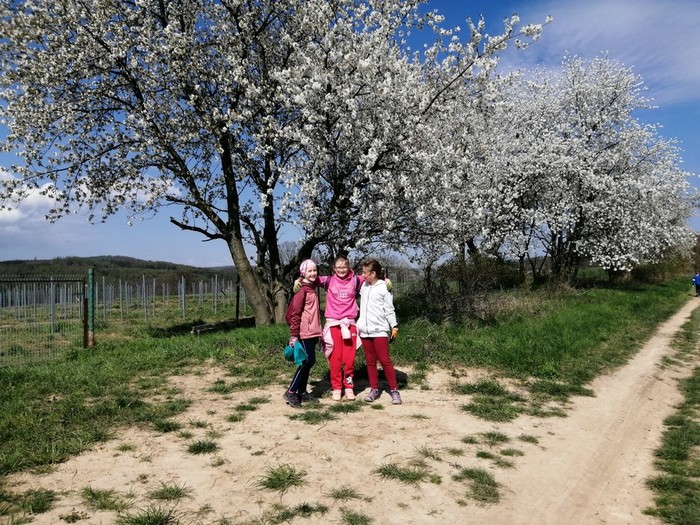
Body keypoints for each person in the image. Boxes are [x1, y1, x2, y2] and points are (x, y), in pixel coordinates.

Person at [357, 258, 401, 405]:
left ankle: (394, 390)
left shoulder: (384, 287)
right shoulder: (363, 286)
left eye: (365, 273)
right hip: (365, 331)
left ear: (373, 273)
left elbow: (389, 309)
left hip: (379, 330)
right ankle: (374, 389)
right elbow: (348, 278)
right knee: (370, 362)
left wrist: (394, 326)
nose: (363, 275)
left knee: (384, 360)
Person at [283, 259, 322, 408]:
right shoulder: (302, 290)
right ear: (303, 273)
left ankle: (302, 392)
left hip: (312, 332)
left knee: (310, 361)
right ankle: (291, 391)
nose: (313, 273)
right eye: (309, 271)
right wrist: (294, 334)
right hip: (304, 332)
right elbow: (295, 313)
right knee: (306, 361)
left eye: (314, 270)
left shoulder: (311, 287)